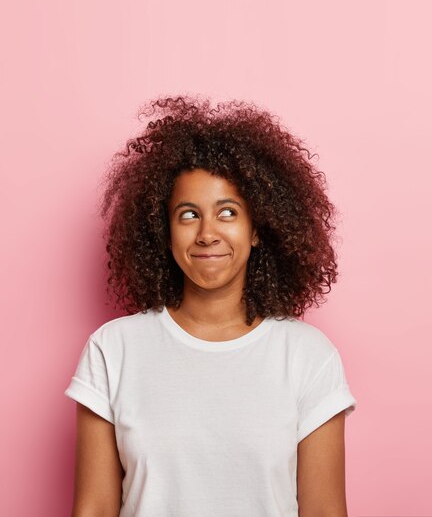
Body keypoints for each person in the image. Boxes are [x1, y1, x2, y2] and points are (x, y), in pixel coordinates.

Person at [64, 95, 357, 516]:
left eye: (228, 212)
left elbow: (325, 512)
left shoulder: (309, 357)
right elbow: (92, 509)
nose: (207, 234)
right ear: (163, 232)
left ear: (257, 229)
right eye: (188, 215)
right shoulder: (113, 350)